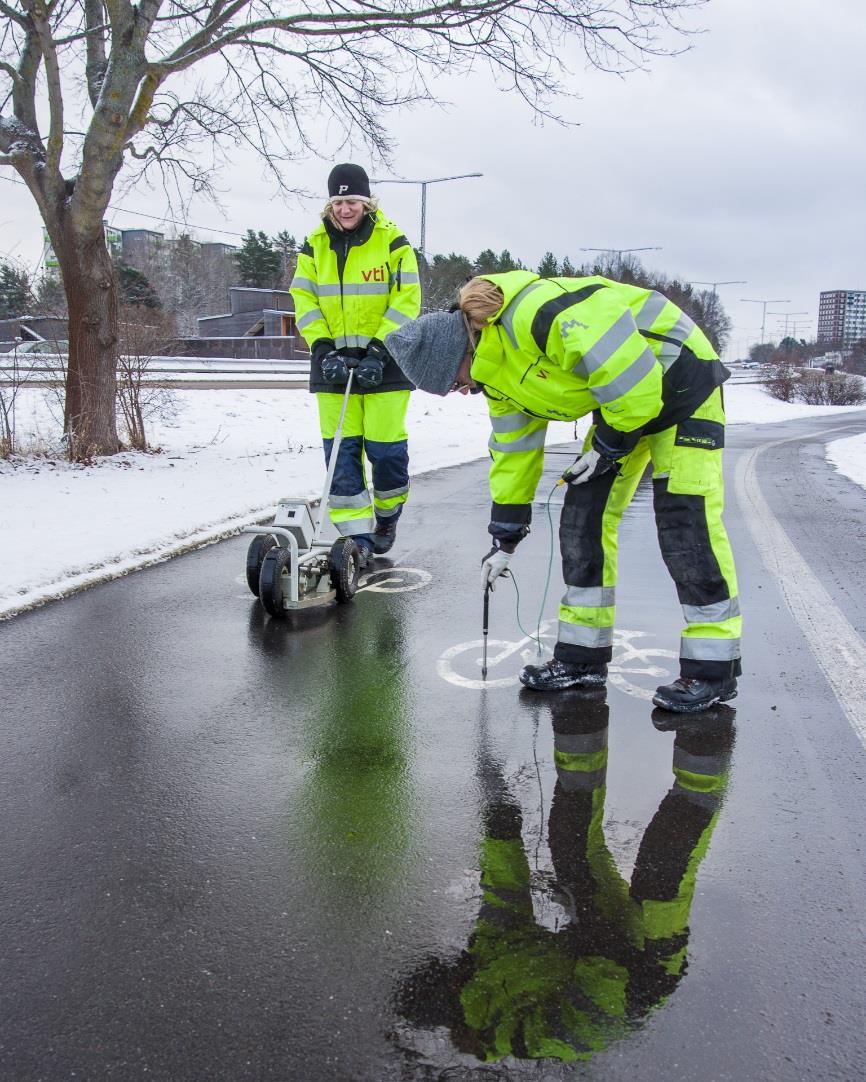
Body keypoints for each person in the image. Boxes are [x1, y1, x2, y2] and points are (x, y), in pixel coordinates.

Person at [385, 270, 741, 713]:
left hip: (681, 383)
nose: (458, 391)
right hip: (623, 408)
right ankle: (582, 658)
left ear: (460, 350)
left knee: (685, 523)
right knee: (582, 520)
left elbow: (633, 379)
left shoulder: (539, 315)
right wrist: (505, 538)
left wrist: (609, 445)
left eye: (452, 381)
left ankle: (712, 671)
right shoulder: (497, 379)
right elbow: (515, 453)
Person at [290, 163, 421, 565]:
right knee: (342, 455)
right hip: (332, 368)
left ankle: (385, 519)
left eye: (353, 201)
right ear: (330, 205)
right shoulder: (314, 247)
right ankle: (356, 541)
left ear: (367, 203)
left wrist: (380, 351)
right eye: (339, 202)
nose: (345, 209)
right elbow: (305, 300)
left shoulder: (393, 243)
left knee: (385, 452)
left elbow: (407, 300)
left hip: (385, 366)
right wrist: (323, 349)